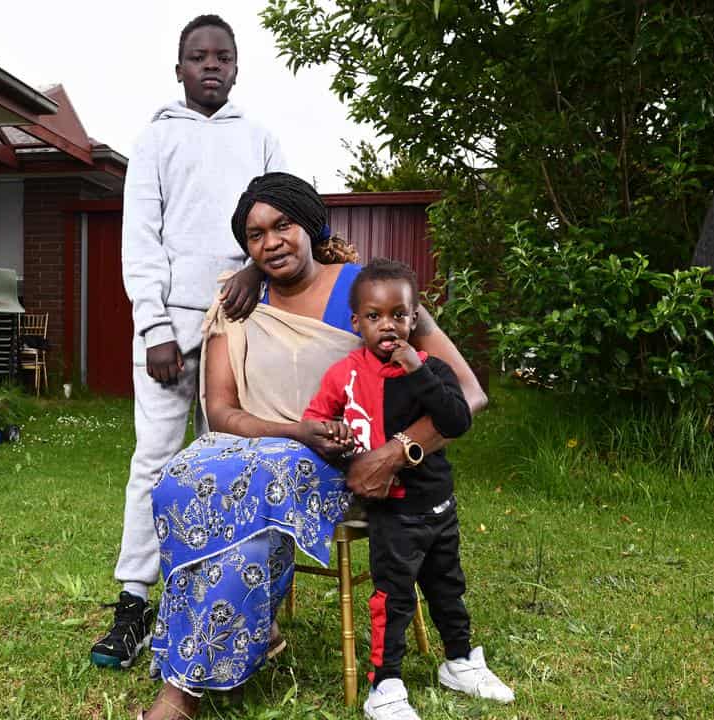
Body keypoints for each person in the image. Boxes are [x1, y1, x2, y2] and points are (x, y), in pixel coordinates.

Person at [139, 173, 487, 720]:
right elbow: (223, 412)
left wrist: (396, 453)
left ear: (310, 222)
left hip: (349, 464)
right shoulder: (240, 303)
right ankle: (247, 634)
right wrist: (294, 431)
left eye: (284, 225)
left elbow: (469, 394)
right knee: (180, 480)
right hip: (264, 451)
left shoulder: (370, 292)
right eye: (255, 236)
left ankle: (182, 689)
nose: (271, 242)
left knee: (246, 508)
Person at [92, 14, 287, 670]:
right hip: (170, 328)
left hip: (241, 321)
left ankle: (210, 597)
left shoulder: (258, 136)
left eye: (222, 57)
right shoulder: (155, 139)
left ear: (237, 67)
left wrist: (254, 271)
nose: (211, 65)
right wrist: (153, 327)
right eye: (198, 57)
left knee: (229, 461)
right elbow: (140, 237)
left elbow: (290, 217)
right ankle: (132, 602)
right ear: (178, 69)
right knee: (154, 459)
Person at [303, 258, 514, 720]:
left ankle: (459, 661)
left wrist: (417, 369)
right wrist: (334, 436)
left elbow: (457, 419)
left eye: (398, 315)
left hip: (438, 503)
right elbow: (314, 420)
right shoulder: (346, 374)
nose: (388, 326)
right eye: (374, 317)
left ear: (414, 318)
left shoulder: (432, 369)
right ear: (356, 321)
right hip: (391, 511)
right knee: (393, 596)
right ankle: (385, 685)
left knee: (447, 586)